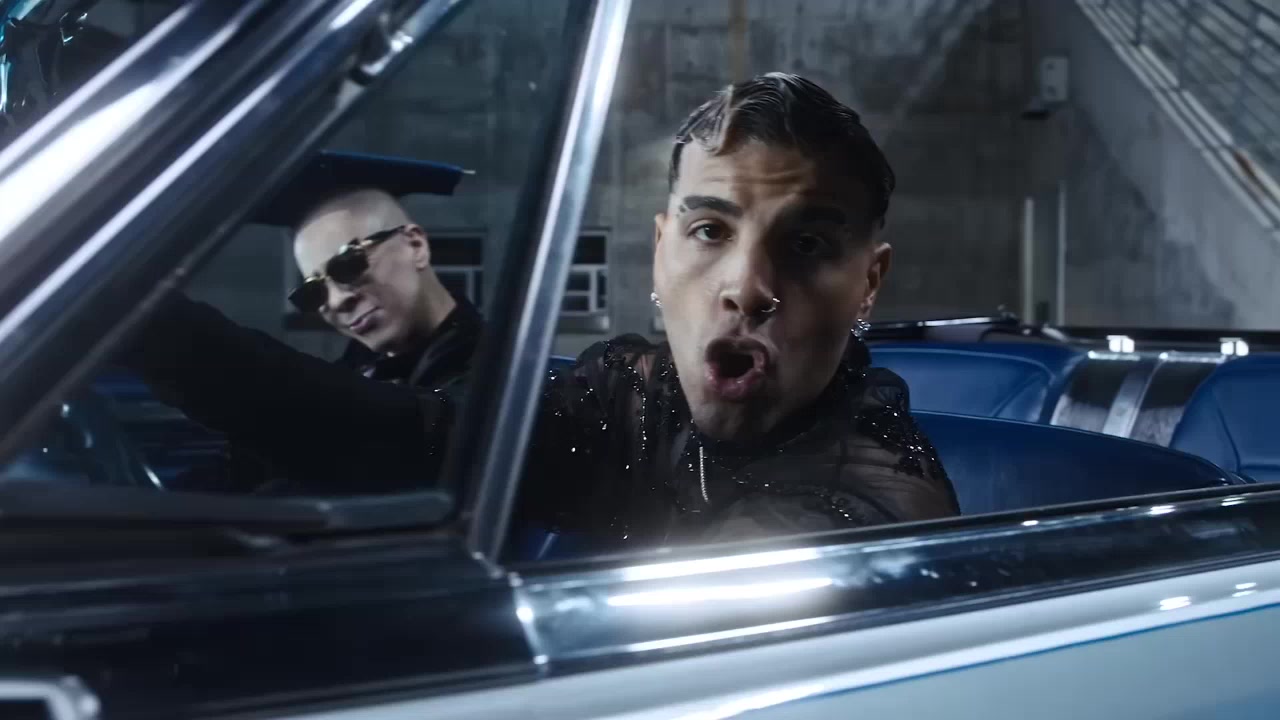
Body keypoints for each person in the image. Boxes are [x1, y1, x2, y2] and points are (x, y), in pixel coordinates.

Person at [124, 73, 957, 549]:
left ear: (869, 283)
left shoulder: (873, 501)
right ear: (660, 253)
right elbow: (415, 440)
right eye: (710, 231)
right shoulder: (629, 394)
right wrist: (136, 320)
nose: (747, 286)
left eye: (807, 244)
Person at [122, 151, 481, 491]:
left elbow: (382, 425)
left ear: (415, 245)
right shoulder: (359, 370)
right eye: (314, 293)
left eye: (348, 264)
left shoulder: (502, 378)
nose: (336, 301)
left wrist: (148, 319)